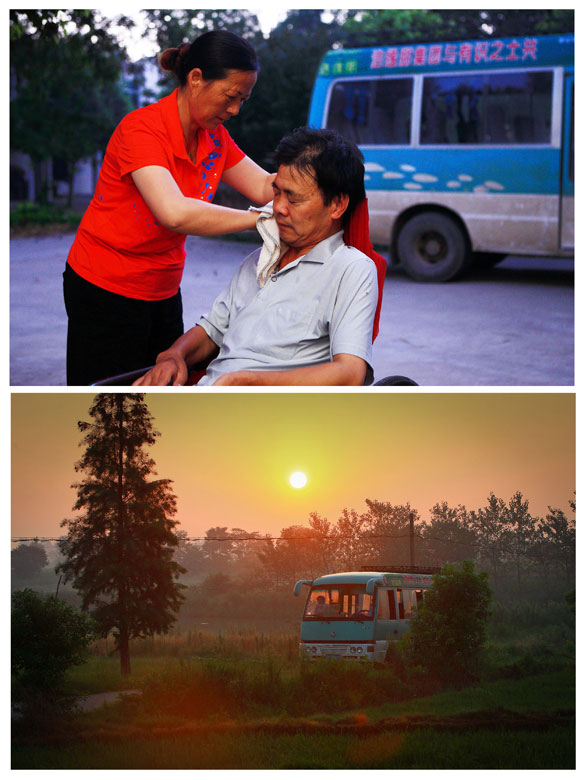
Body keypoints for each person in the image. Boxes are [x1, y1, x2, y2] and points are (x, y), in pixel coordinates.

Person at [64, 30, 275, 385]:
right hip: (104, 288)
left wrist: (316, 179)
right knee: (106, 407)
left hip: (162, 288)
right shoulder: (142, 130)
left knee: (164, 389)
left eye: (243, 100)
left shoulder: (214, 138)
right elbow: (173, 213)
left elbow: (261, 185)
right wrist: (260, 221)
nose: (235, 110)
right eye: (230, 96)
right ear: (196, 79)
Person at [134, 126, 384, 387]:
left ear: (337, 205)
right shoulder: (259, 259)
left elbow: (350, 373)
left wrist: (250, 381)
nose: (278, 208)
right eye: (277, 192)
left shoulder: (351, 269)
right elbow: (212, 330)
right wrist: (175, 355)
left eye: (294, 199)